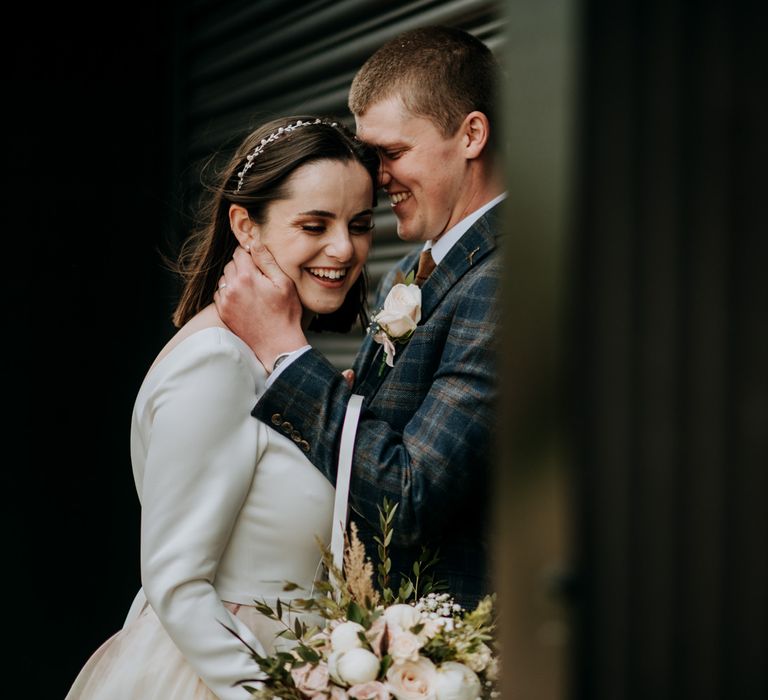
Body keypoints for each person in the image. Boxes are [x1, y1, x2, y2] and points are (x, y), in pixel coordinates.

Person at [65, 115, 380, 700]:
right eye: (315, 224)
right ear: (246, 226)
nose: (344, 247)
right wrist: (268, 693)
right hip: (221, 676)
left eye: (359, 224)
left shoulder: (275, 361)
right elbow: (177, 579)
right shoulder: (217, 361)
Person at [215, 26, 505, 608]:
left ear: (471, 135)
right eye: (371, 156)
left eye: (393, 154)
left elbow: (410, 494)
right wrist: (352, 408)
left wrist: (287, 357)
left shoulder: (505, 282)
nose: (376, 178)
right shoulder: (407, 274)